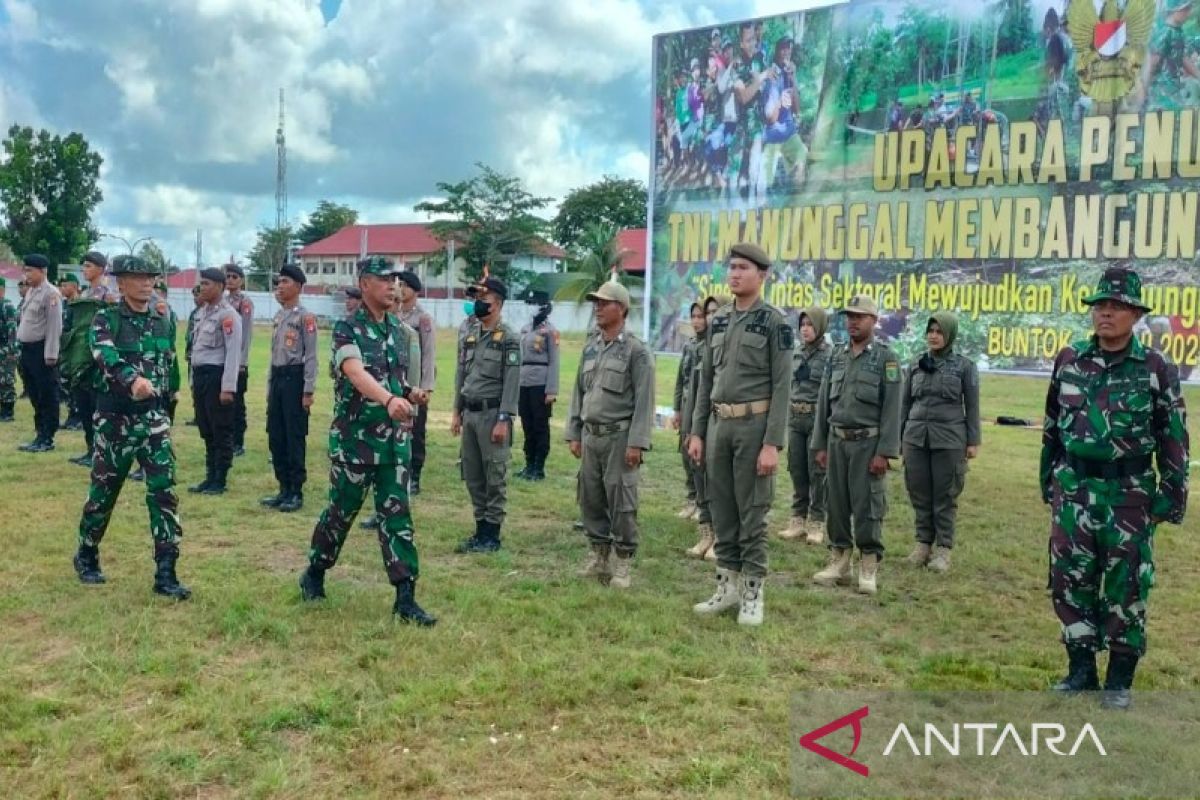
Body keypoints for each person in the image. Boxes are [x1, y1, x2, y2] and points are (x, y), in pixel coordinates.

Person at [1041, 267, 1189, 710]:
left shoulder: (1155, 368)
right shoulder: (1070, 359)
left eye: (1117, 307)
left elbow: (1173, 435)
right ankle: (1080, 671)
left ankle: (1119, 681)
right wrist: (1048, 476)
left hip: (1129, 494)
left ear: (1135, 315)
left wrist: (1173, 494)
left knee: (1126, 585)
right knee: (1070, 579)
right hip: (1074, 488)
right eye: (1100, 306)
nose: (1105, 313)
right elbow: (1052, 424)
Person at [299, 256, 435, 626]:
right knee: (340, 515)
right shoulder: (347, 329)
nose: (393, 285)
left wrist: (410, 393)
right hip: (355, 443)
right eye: (384, 279)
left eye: (395, 279)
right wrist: (389, 399)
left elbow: (394, 379)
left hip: (393, 444)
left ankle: (405, 598)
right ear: (364, 284)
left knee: (397, 518)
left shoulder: (399, 330)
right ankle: (315, 570)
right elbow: (356, 373)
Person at [72, 254, 190, 600]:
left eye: (150, 277)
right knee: (104, 493)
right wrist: (132, 379)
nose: (146, 283)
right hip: (116, 422)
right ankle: (87, 551)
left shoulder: (162, 320)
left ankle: (166, 571)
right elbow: (105, 357)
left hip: (153, 421)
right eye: (137, 278)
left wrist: (171, 396)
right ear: (120, 283)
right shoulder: (104, 319)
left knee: (164, 492)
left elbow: (168, 362)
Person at [688, 243, 791, 626]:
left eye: (743, 268)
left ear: (761, 275)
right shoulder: (719, 320)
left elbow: (782, 386)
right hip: (719, 426)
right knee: (722, 509)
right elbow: (706, 383)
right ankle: (726, 587)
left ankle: (752, 594)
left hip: (754, 427)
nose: (734, 274)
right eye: (731, 267)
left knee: (752, 514)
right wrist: (698, 432)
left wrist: (771, 443)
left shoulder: (775, 322)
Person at [811, 295, 903, 595]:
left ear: (873, 321)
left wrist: (884, 451)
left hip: (868, 443)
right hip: (837, 441)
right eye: (849, 316)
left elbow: (892, 407)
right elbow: (824, 401)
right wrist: (820, 444)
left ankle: (868, 562)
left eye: (860, 316)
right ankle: (839, 560)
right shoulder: (836, 356)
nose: (853, 321)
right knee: (835, 503)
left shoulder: (886, 358)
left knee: (867, 506)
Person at [565, 281, 654, 588]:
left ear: (622, 309)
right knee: (590, 498)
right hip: (592, 436)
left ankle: (623, 561)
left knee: (621, 501)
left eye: (604, 303)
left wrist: (637, 442)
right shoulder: (591, 347)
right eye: (596, 303)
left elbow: (645, 400)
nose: (598, 308)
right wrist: (574, 431)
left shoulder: (636, 351)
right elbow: (579, 391)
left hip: (620, 437)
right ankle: (598, 555)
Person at [900, 312, 981, 572]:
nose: (934, 336)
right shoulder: (915, 364)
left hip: (949, 440)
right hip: (915, 438)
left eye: (939, 331)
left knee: (945, 495)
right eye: (930, 331)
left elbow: (972, 406)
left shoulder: (964, 367)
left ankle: (943, 549)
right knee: (919, 492)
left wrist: (973, 441)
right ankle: (923, 544)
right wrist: (899, 439)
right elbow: (904, 404)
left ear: (950, 334)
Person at [451, 276, 521, 553]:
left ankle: (492, 535)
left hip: (493, 415)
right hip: (470, 413)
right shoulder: (470, 335)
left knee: (495, 474)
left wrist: (505, 418)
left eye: (485, 300)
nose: (479, 305)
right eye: (477, 299)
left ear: (498, 304)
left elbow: (512, 381)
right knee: (473, 473)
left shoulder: (509, 338)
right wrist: (456, 411)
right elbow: (462, 376)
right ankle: (480, 529)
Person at [261, 263, 318, 513]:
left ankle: (296, 491)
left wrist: (308, 390)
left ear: (298, 286)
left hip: (295, 380)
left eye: (285, 282)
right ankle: (283, 487)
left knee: (294, 436)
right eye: (278, 282)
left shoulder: (305, 317)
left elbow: (311, 355)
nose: (279, 287)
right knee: (276, 434)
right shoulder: (280, 315)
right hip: (278, 378)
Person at [778, 306, 832, 546]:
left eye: (810, 325)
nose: (805, 329)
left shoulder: (830, 355)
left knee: (817, 472)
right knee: (797, 468)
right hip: (795, 419)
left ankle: (817, 521)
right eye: (802, 325)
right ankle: (797, 519)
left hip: (816, 420)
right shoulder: (795, 353)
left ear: (820, 327)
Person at [189, 268, 242, 495]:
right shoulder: (203, 313)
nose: (202, 287)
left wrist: (228, 387)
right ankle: (209, 476)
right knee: (206, 428)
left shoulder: (228, 315)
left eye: (207, 283)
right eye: (201, 283)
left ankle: (220, 478)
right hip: (201, 376)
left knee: (220, 429)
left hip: (216, 376)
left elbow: (233, 353)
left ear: (220, 286)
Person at [684, 296, 720, 559]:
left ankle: (721, 537)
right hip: (701, 419)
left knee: (719, 481)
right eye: (707, 313)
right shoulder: (701, 347)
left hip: (723, 423)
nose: (708, 318)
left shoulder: (729, 346)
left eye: (714, 312)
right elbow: (697, 391)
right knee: (699, 474)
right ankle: (706, 533)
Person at [15, 254, 63, 452]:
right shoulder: (31, 291)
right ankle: (39, 434)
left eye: (30, 271)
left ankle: (47, 437)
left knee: (46, 395)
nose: (27, 274)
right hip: (27, 350)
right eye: (25, 270)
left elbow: (54, 326)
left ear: (42, 271)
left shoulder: (51, 294)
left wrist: (51, 354)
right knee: (34, 393)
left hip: (42, 351)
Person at [394, 270, 435, 494]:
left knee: (416, 430)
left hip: (415, 381)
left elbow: (429, 353)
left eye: (405, 285)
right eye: (398, 284)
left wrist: (426, 386)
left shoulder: (422, 318)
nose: (400, 289)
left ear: (414, 291)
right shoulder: (394, 315)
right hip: (398, 380)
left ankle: (415, 475)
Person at [517, 291, 559, 481]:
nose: (530, 306)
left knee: (540, 425)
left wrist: (551, 390)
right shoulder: (525, 329)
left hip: (540, 382)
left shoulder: (550, 331)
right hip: (524, 381)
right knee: (527, 424)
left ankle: (539, 467)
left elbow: (554, 362)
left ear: (543, 306)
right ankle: (528, 463)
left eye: (533, 303)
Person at [673, 302, 704, 519]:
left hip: (701, 407)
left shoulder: (712, 346)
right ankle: (691, 498)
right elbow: (680, 380)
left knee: (699, 457)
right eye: (693, 316)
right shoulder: (689, 345)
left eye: (701, 316)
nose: (696, 321)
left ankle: (703, 501)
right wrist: (677, 409)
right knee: (686, 454)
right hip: (686, 405)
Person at [224, 263, 253, 456]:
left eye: (235, 277)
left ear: (241, 280)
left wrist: (241, 361)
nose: (230, 280)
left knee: (237, 403)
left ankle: (238, 442)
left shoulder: (245, 302)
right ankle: (227, 440)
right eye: (228, 276)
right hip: (224, 359)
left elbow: (246, 333)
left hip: (238, 362)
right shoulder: (223, 301)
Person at [153, 281, 182, 425]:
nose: (157, 295)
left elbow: (171, 334)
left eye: (160, 292)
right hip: (154, 353)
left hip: (167, 352)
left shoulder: (169, 311)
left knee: (170, 386)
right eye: (155, 291)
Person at [58, 274, 83, 430]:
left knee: (77, 383)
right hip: (65, 350)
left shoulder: (80, 304)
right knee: (66, 382)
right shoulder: (64, 304)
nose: (62, 288)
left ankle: (78, 417)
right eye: (61, 286)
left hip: (76, 349)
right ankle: (71, 415)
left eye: (65, 285)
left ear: (74, 286)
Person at [183, 285, 203, 426]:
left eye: (198, 295)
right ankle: (197, 415)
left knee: (201, 386)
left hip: (203, 356)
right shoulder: (193, 313)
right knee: (193, 385)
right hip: (192, 355)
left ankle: (203, 415)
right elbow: (189, 335)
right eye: (194, 296)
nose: (196, 299)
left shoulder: (207, 313)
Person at [0, 276, 16, 421]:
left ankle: (8, 411)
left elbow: (12, 329)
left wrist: (10, 349)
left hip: (6, 350)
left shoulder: (7, 306)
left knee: (6, 380)